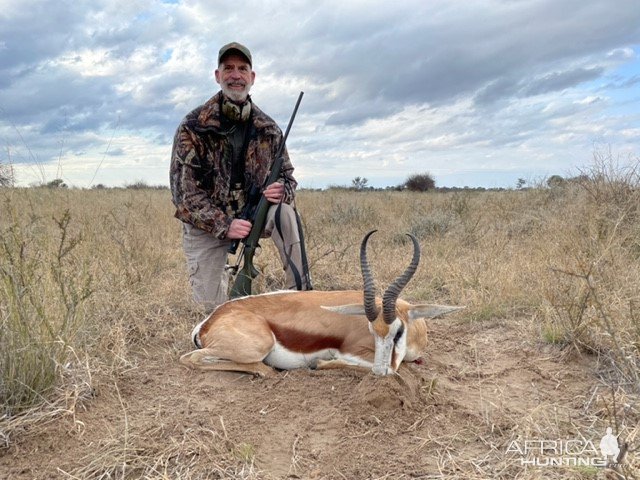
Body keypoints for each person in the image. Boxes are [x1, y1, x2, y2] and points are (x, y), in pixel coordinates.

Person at [170, 41, 311, 311]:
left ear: (252, 77)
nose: (236, 75)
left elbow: (289, 179)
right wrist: (225, 225)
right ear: (218, 75)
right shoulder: (193, 126)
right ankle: (226, 277)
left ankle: (303, 299)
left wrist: (283, 190)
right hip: (207, 225)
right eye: (229, 68)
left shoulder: (269, 128)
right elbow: (184, 196)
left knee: (285, 213)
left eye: (242, 69)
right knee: (211, 313)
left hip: (254, 216)